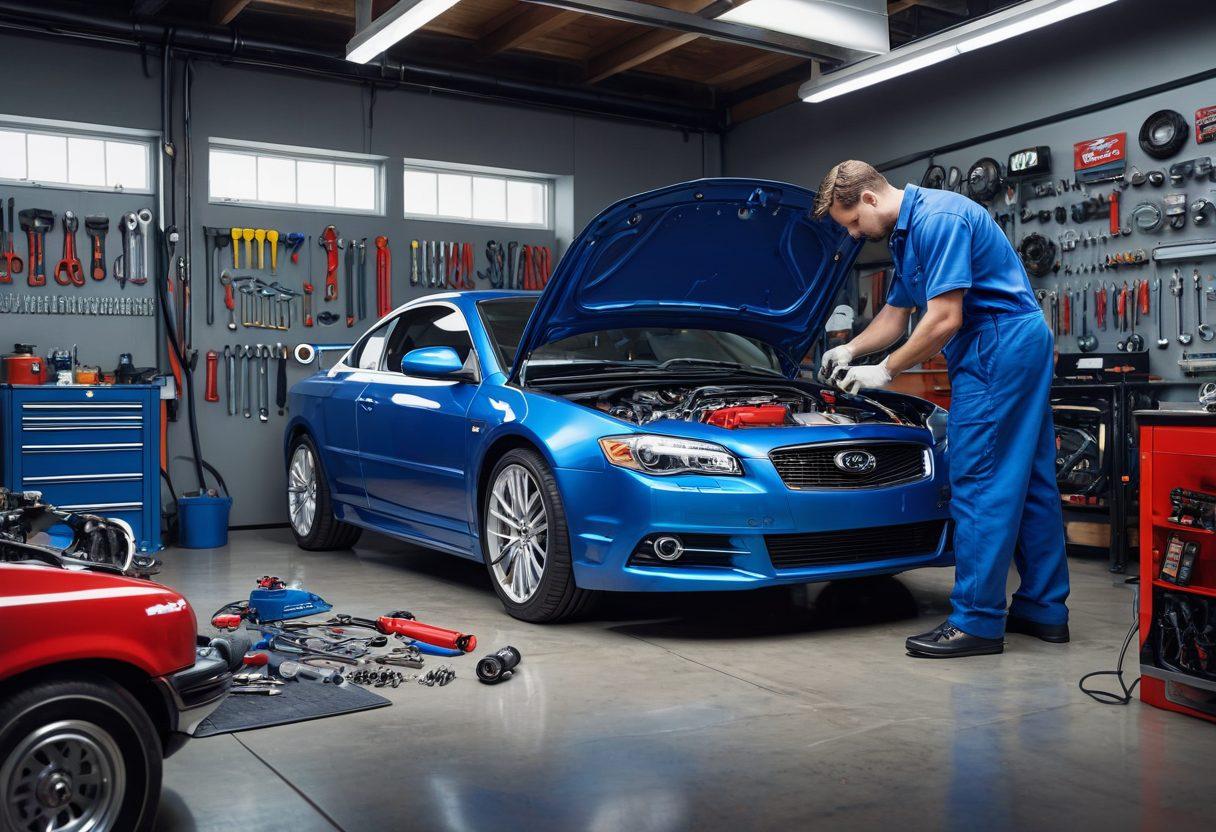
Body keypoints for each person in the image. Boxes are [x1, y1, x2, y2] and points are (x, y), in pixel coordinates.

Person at [814, 160, 1070, 658]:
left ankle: (976, 621)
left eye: (850, 223)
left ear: (868, 198)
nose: (851, 234)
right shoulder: (906, 234)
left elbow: (946, 317)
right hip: (1007, 341)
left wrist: (885, 371)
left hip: (996, 342)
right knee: (1033, 480)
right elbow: (895, 314)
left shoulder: (939, 219)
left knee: (979, 481)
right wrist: (850, 351)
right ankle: (1043, 608)